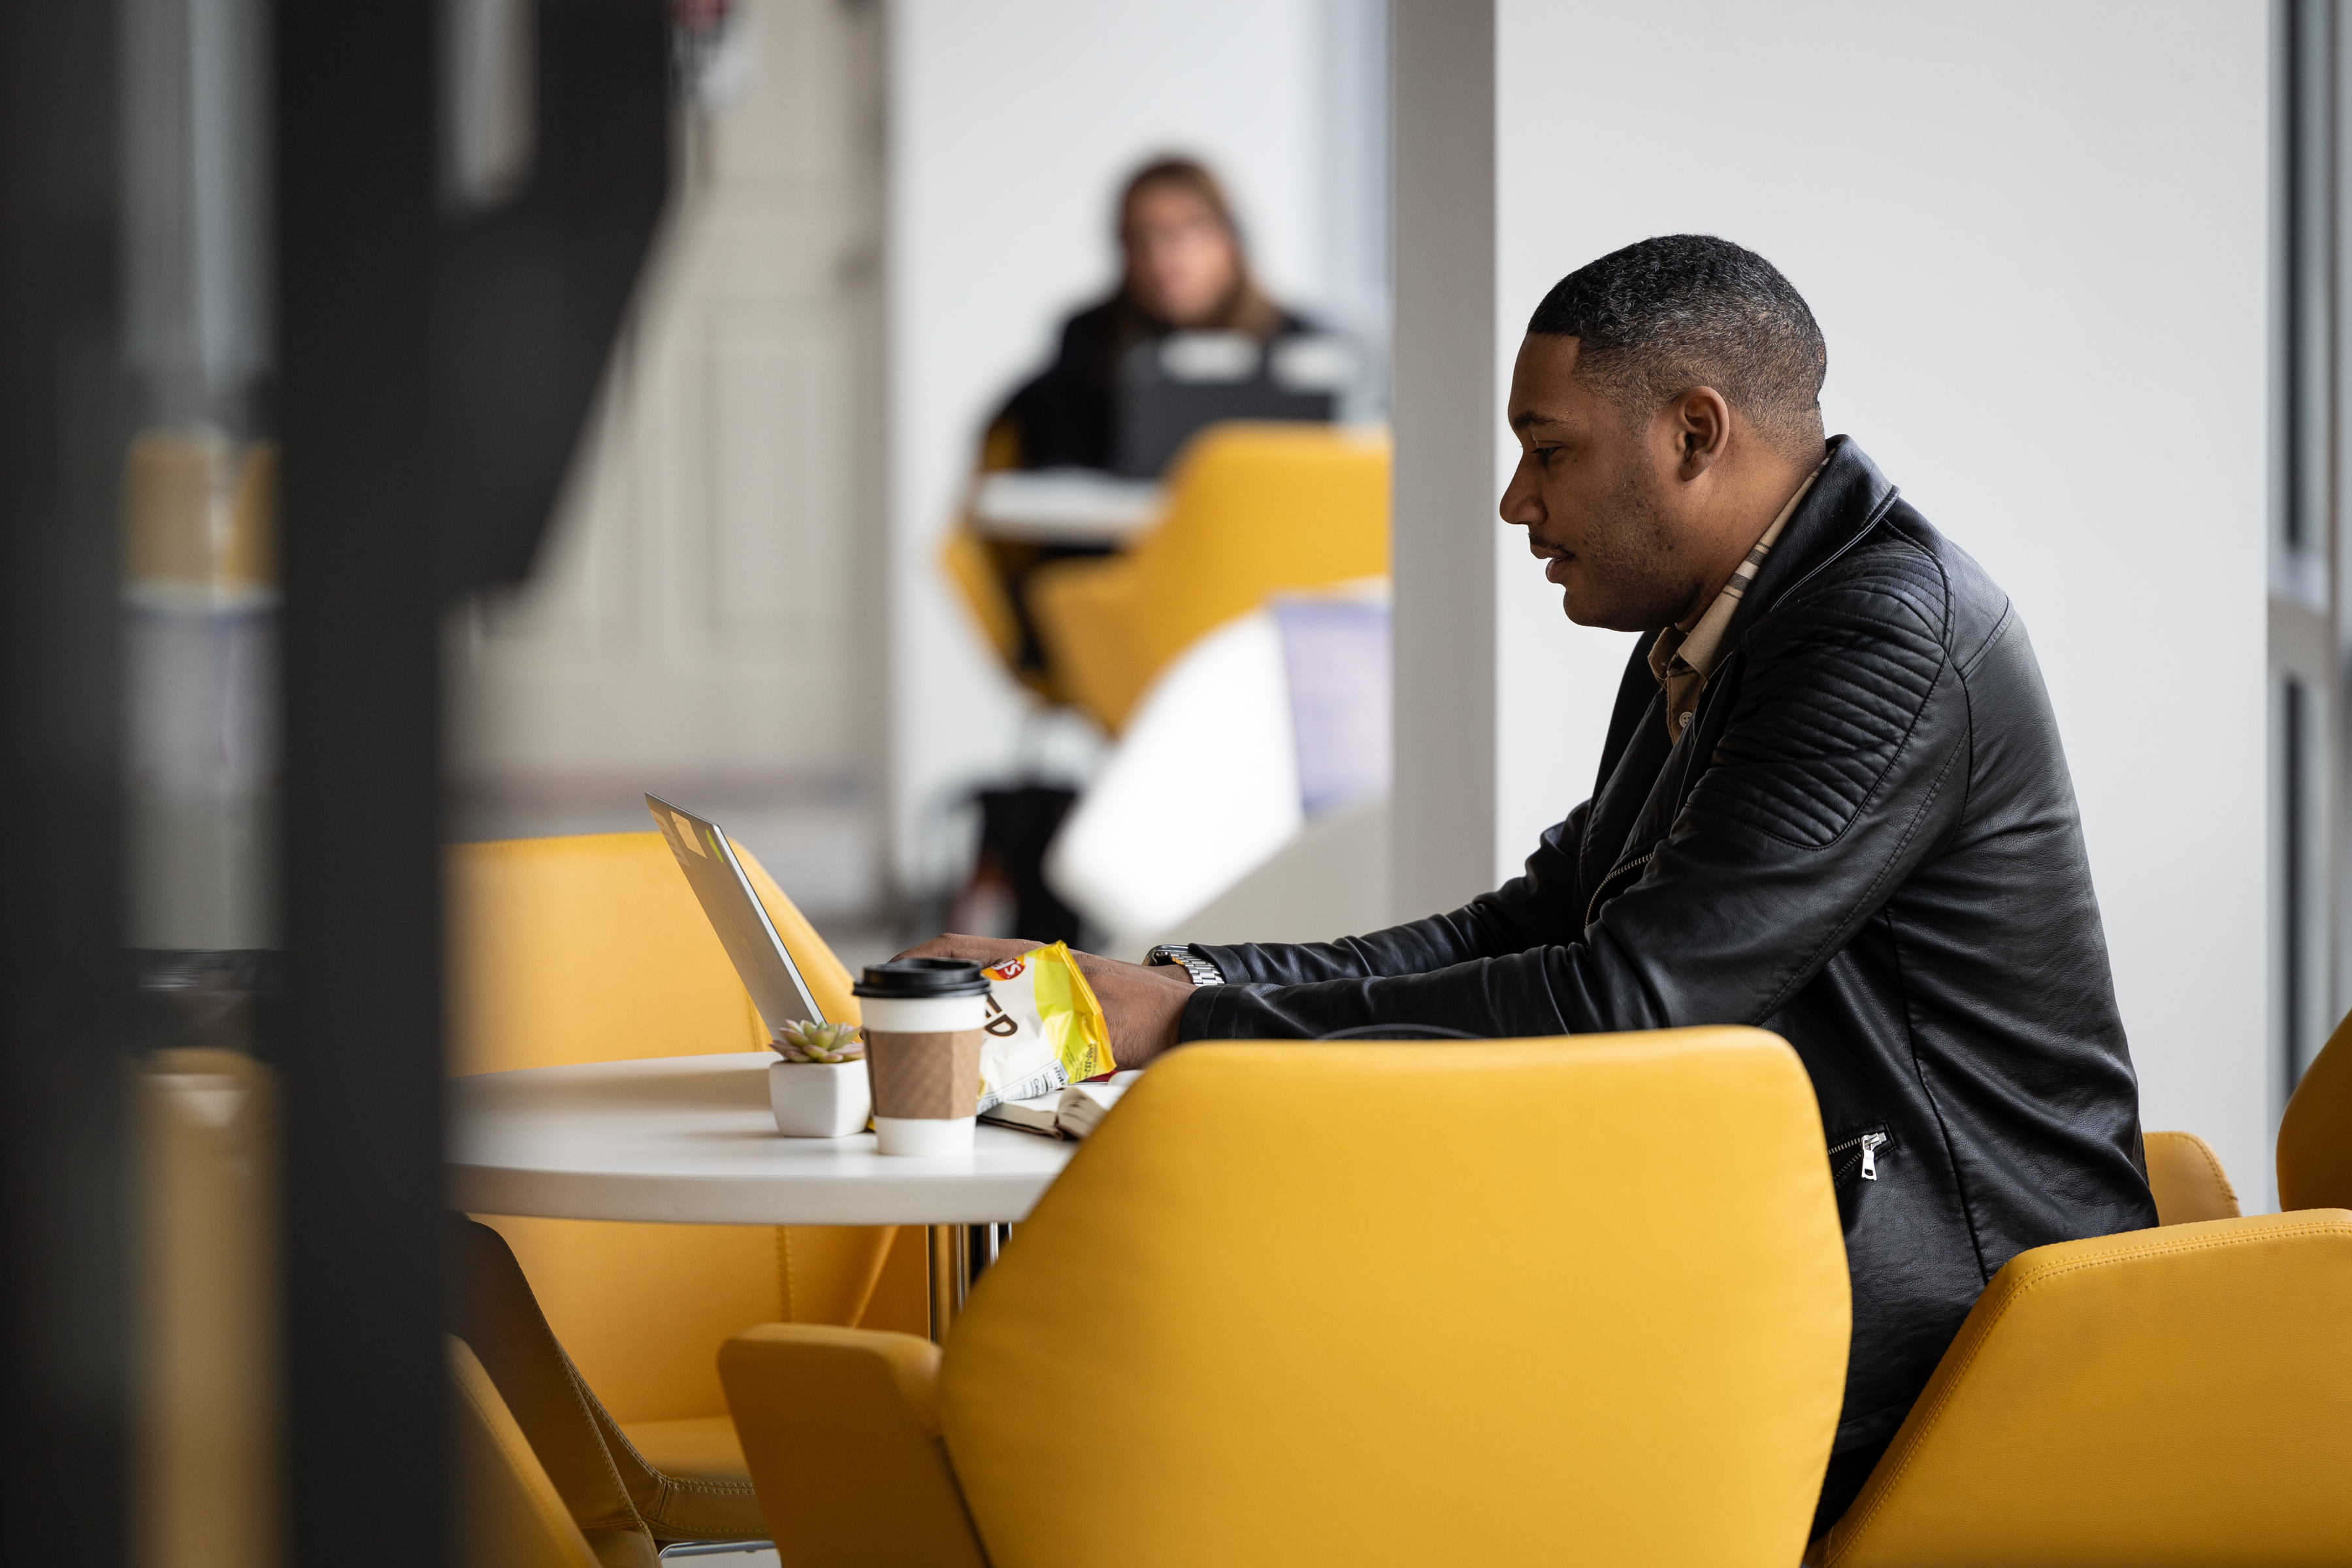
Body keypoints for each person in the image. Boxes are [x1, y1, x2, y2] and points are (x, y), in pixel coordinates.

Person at [909, 234, 2160, 1539]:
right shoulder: (1715, 627)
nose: (1516, 502)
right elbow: (1535, 924)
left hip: (1963, 1321)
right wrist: (1190, 985)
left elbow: (1633, 999)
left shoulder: (1882, 641)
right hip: (1811, 1244)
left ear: (1693, 433)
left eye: (1548, 449)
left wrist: (1202, 1034)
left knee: (1327, 1373)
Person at [992, 155, 1311, 473]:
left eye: (1184, 230)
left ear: (1228, 238)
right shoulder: (1090, 340)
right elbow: (1056, 468)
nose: (1160, 256)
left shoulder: (1302, 347)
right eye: (1141, 237)